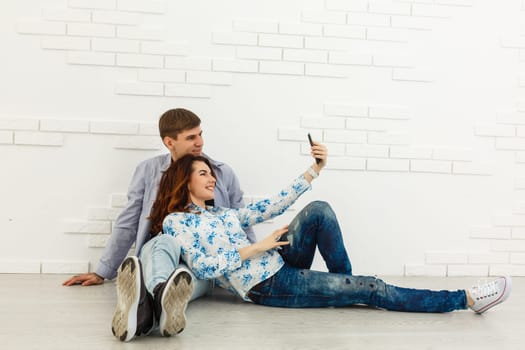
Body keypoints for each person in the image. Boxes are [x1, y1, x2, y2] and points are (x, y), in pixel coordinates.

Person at [148, 142, 511, 315]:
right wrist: (257, 248)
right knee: (373, 286)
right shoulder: (176, 222)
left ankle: (345, 288)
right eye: (203, 174)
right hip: (266, 285)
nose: (212, 179)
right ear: (184, 180)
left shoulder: (223, 214)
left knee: (318, 209)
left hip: (281, 262)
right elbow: (204, 268)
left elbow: (272, 205)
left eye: (211, 173)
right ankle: (465, 298)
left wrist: (314, 169)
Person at [62, 108, 254, 341]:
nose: (200, 142)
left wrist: (252, 260)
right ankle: (159, 302)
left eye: (200, 134)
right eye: (191, 137)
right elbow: (129, 221)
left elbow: (242, 219)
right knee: (164, 241)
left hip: (202, 258)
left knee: (183, 278)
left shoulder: (221, 172)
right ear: (169, 142)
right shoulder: (148, 170)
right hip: (161, 250)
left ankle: (143, 312)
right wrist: (103, 271)